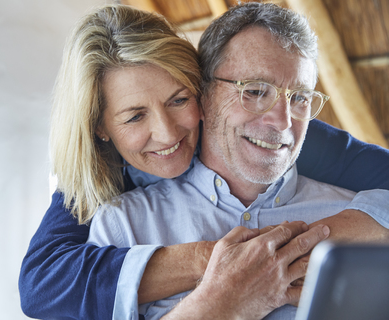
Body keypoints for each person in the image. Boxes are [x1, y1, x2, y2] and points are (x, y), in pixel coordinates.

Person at [19, 4, 389, 320]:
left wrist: (319, 239)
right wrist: (225, 286)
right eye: (255, 91)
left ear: (197, 91)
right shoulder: (118, 221)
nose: (281, 120)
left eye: (178, 100)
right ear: (100, 127)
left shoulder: (318, 153)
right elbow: (40, 283)